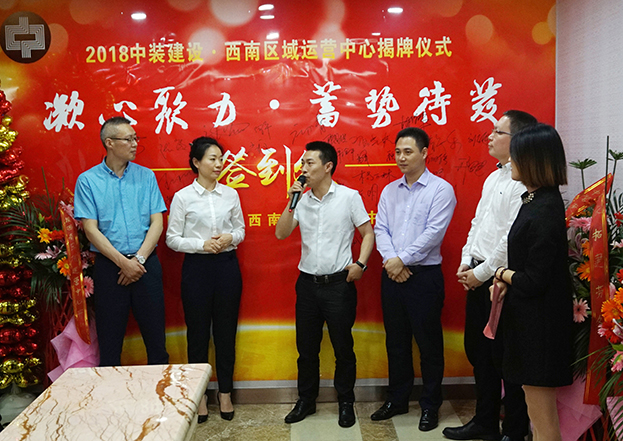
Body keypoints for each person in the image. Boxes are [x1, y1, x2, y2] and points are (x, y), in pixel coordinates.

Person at [444, 111, 536, 441]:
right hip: (478, 275)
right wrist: (466, 261)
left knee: (505, 358)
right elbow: (478, 224)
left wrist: (482, 274)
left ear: (518, 140)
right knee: (479, 353)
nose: (490, 136)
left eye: (498, 132)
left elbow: (510, 240)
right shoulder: (493, 177)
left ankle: (514, 429)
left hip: (500, 281)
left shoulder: (523, 184)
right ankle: (485, 421)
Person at [275, 141, 375, 428]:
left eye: (310, 163)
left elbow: (367, 233)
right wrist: (291, 201)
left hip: (338, 285)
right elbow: (281, 233)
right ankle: (306, 400)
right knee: (306, 349)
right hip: (307, 284)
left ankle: (346, 401)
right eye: (302, 163)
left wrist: (361, 264)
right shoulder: (301, 200)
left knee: (343, 347)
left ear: (328, 166)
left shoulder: (349, 197)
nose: (303, 168)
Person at [491, 123, 573, 441]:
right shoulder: (533, 200)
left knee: (543, 421)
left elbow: (534, 280)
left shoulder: (545, 209)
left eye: (516, 156)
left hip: (540, 328)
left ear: (535, 160)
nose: (511, 162)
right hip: (527, 322)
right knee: (535, 417)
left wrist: (501, 273)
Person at [372, 127, 457, 431]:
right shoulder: (389, 191)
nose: (401, 158)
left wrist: (401, 260)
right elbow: (380, 229)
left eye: (407, 152)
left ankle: (430, 405)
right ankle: (397, 399)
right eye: (397, 152)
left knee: (428, 344)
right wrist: (391, 261)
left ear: (424, 153)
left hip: (424, 278)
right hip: (392, 275)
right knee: (396, 342)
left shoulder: (441, 190)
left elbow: (434, 233)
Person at [74, 116, 169, 367]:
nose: (135, 144)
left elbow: (157, 223)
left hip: (146, 264)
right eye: (128, 139)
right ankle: (111, 392)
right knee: (110, 343)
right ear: (109, 142)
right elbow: (90, 230)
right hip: (110, 268)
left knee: (157, 342)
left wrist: (137, 260)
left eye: (135, 138)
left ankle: (159, 391)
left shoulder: (146, 177)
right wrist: (123, 263)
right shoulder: (88, 181)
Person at [166, 137, 245, 423]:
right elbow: (172, 238)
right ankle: (199, 396)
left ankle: (225, 393)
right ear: (196, 163)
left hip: (226, 267)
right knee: (198, 334)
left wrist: (229, 238)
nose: (219, 164)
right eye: (212, 159)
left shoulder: (230, 195)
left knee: (226, 333)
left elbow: (240, 231)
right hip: (196, 270)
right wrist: (202, 245)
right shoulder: (183, 197)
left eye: (221, 158)